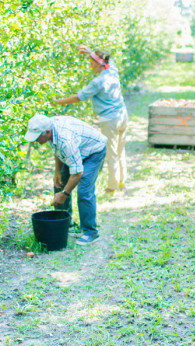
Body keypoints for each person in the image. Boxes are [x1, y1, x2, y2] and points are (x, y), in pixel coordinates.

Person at [24, 114, 107, 245]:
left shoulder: (65, 139)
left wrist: (64, 194)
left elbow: (78, 173)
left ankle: (91, 231)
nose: (36, 140)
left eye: (37, 137)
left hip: (93, 151)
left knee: (84, 190)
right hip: (77, 151)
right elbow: (58, 150)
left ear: (47, 132)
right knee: (60, 182)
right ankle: (64, 223)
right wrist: (57, 172)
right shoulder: (50, 131)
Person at [55, 45, 128, 194]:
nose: (90, 67)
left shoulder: (98, 82)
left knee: (111, 153)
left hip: (110, 119)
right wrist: (90, 52)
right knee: (121, 150)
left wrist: (58, 101)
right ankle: (121, 181)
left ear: (97, 64)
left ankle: (112, 187)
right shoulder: (112, 71)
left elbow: (78, 97)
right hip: (122, 115)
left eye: (91, 63)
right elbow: (109, 60)